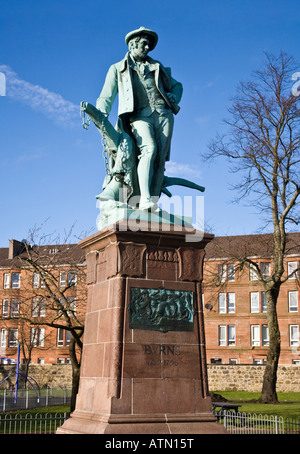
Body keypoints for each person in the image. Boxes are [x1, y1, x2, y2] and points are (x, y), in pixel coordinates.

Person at [96, 27, 183, 210]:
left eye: (149, 45)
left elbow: (177, 86)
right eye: (144, 44)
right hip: (138, 116)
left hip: (163, 115)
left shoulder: (157, 66)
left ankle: (153, 202)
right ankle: (144, 199)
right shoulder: (117, 69)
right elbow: (106, 96)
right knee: (149, 149)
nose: (147, 48)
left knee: (160, 159)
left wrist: (174, 96)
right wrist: (100, 114)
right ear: (132, 44)